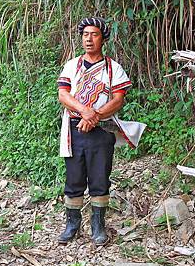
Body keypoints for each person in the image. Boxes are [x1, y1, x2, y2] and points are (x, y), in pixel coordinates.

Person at [57, 17, 145, 246]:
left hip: (102, 129)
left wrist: (94, 116)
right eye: (85, 34)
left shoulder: (112, 68)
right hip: (75, 128)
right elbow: (63, 95)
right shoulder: (72, 65)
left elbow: (118, 99)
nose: (89, 39)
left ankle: (98, 225)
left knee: (99, 177)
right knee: (74, 178)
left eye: (94, 34)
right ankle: (72, 225)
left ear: (103, 38)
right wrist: (85, 112)